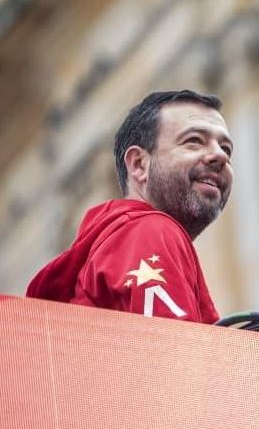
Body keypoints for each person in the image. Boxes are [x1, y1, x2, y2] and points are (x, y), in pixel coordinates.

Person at [26, 90, 233, 324]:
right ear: (138, 164)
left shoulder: (118, 242)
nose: (220, 156)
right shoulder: (150, 230)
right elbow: (175, 353)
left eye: (226, 148)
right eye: (194, 141)